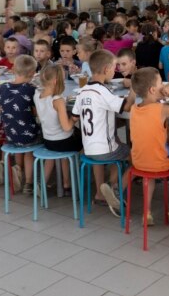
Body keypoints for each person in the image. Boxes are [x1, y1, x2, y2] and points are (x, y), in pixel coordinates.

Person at [129, 67, 169, 228]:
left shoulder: (134, 109)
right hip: (159, 163)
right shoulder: (162, 109)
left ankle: (147, 212)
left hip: (138, 162)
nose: (163, 85)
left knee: (148, 173)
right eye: (160, 83)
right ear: (152, 90)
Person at [72, 50, 133, 215]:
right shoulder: (103, 91)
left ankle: (100, 194)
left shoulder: (82, 91)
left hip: (88, 149)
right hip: (105, 151)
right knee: (137, 156)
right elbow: (126, 107)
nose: (116, 70)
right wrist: (134, 89)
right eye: (114, 67)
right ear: (106, 69)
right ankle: (115, 188)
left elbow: (75, 116)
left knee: (117, 145)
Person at [0, 55, 41, 195]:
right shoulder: (31, 90)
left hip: (10, 135)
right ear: (33, 73)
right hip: (28, 135)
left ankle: (16, 167)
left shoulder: (3, 87)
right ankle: (28, 183)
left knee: (18, 137)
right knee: (29, 152)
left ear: (13, 69)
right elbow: (36, 112)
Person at [34, 65, 81, 195]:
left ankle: (42, 183)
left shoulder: (37, 95)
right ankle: (73, 180)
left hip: (48, 140)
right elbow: (67, 127)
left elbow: (40, 117)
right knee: (81, 140)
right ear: (56, 81)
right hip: (63, 141)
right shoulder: (58, 100)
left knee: (57, 152)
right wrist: (74, 119)